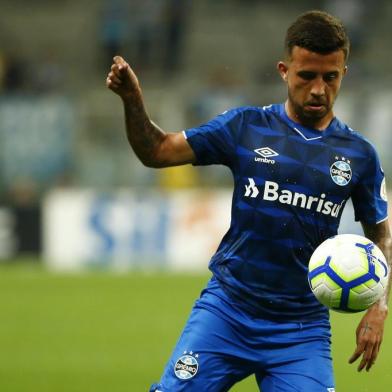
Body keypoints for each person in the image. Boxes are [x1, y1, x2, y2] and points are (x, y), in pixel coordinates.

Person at [106, 10, 391, 392]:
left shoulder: (359, 155)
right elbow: (157, 151)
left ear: (344, 73)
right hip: (227, 311)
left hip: (300, 329)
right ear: (284, 70)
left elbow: (381, 236)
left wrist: (378, 307)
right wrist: (132, 100)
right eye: (307, 76)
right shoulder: (245, 127)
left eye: (331, 77)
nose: (319, 89)